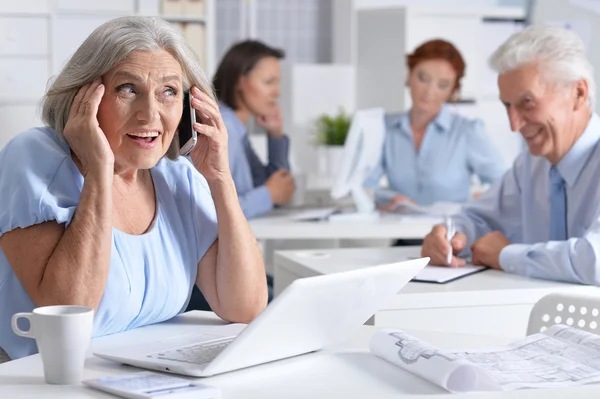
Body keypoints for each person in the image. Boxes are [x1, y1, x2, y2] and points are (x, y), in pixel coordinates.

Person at [0, 16, 268, 362]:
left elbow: (244, 305)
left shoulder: (177, 177)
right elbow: (67, 309)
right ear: (84, 97)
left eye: (169, 91)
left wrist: (220, 178)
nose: (150, 115)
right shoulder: (32, 157)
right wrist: (99, 171)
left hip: (146, 376)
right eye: (128, 89)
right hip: (42, 381)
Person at [421, 26, 600, 285]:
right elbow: (476, 219)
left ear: (578, 93)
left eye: (527, 102)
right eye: (507, 106)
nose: (514, 125)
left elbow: (594, 261)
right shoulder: (531, 165)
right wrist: (449, 237)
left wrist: (505, 255)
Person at [365, 39, 506, 211]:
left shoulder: (467, 132)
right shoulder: (386, 128)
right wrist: (391, 199)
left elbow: (505, 185)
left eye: (443, 85)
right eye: (423, 78)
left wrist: (481, 201)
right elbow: (365, 187)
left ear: (452, 91)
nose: (429, 91)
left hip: (453, 235)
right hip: (403, 233)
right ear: (409, 75)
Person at [213, 40, 295, 220]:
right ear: (240, 82)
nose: (277, 93)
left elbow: (280, 187)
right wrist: (268, 195)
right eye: (268, 82)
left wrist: (275, 134)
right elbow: (213, 211)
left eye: (277, 83)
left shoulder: (235, 127)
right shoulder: (223, 129)